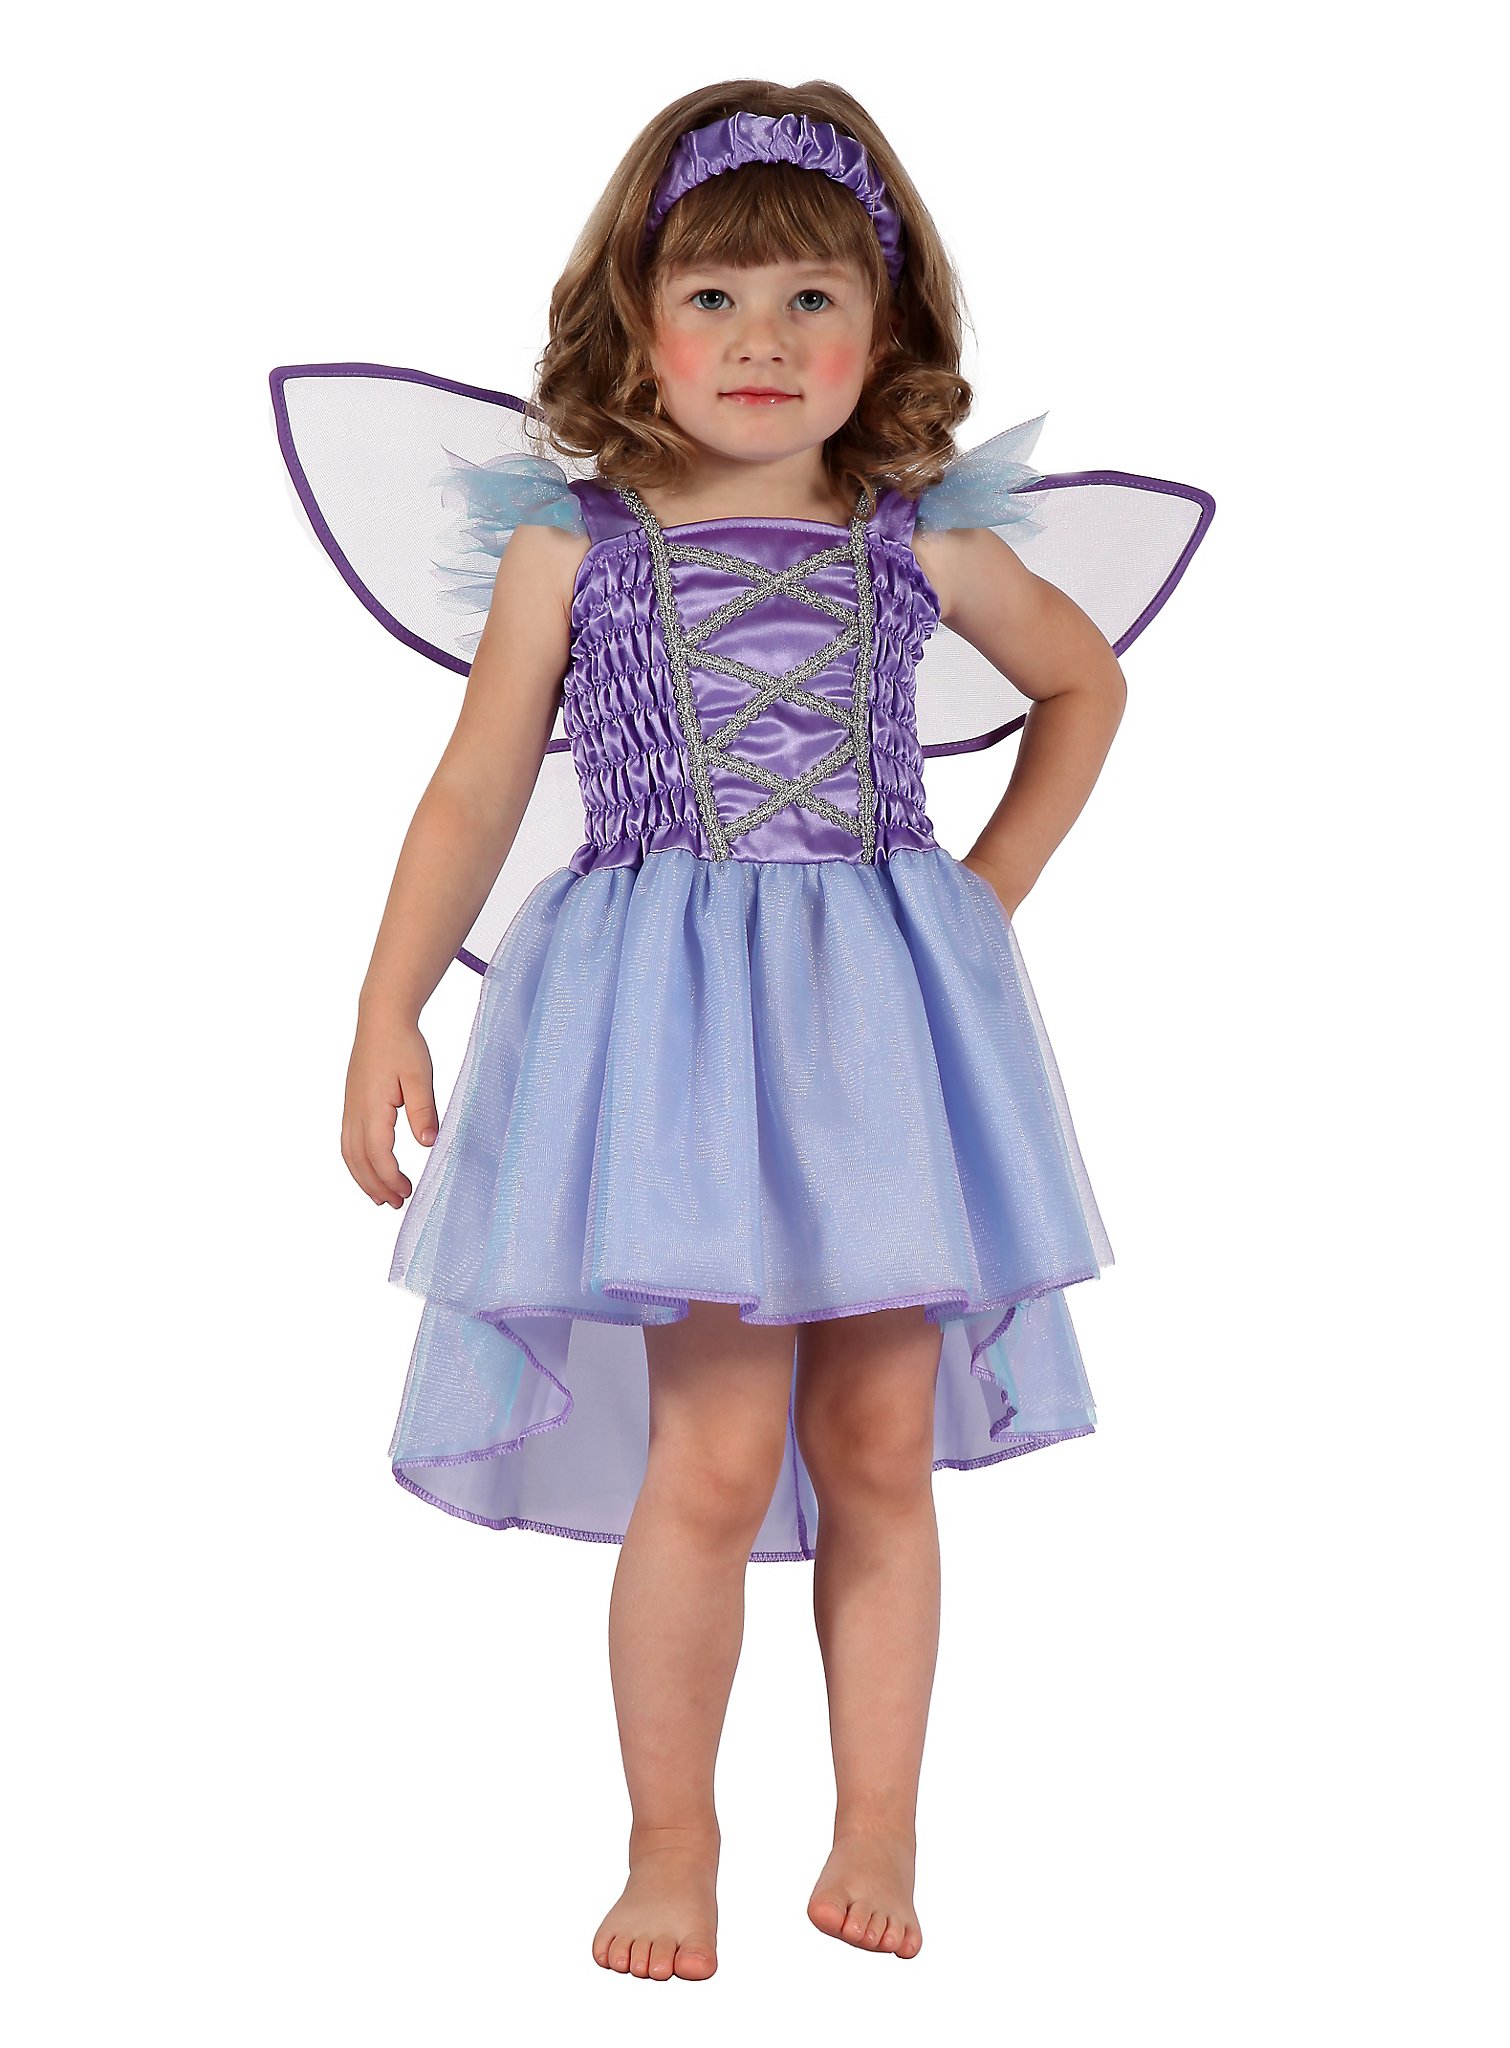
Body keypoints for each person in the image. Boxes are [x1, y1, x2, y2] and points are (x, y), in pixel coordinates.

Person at [341, 83, 1130, 1982]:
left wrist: (980, 893)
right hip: (673, 1055)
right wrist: (384, 1004)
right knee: (706, 1456)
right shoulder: (576, 547)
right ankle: (671, 1840)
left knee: (873, 1438)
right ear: (633, 321)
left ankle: (877, 1824)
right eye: (711, 298)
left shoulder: (908, 537)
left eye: (809, 301)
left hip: (877, 1047)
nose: (761, 342)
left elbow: (1083, 684)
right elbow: (472, 790)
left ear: (884, 331)